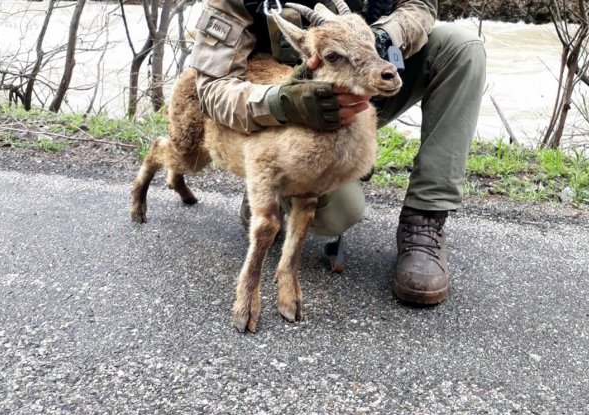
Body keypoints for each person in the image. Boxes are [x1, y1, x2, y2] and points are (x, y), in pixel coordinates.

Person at [189, 0, 486, 305]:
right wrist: (282, 103)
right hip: (278, 105)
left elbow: (419, 5)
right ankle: (272, 179)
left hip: (371, 70)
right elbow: (212, 88)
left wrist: (383, 36)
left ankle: (424, 219)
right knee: (336, 215)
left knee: (462, 48)